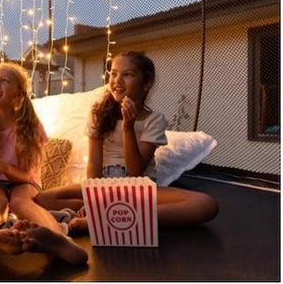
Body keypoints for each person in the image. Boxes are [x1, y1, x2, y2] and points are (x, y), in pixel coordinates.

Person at [34, 51, 219, 233]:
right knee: (43, 199)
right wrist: (93, 199)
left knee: (205, 204)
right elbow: (94, 163)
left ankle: (102, 220)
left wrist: (128, 128)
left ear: (146, 84)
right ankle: (111, 214)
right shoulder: (99, 114)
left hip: (137, 189)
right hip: (104, 187)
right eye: (114, 74)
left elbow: (136, 170)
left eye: (128, 75)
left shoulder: (154, 120)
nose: (117, 81)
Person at [0, 62, 87, 265]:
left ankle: (60, 240)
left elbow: (27, 176)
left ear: (18, 96)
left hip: (23, 182)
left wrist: (2, 166)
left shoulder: (31, 128)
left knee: (20, 202)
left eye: (5, 81)